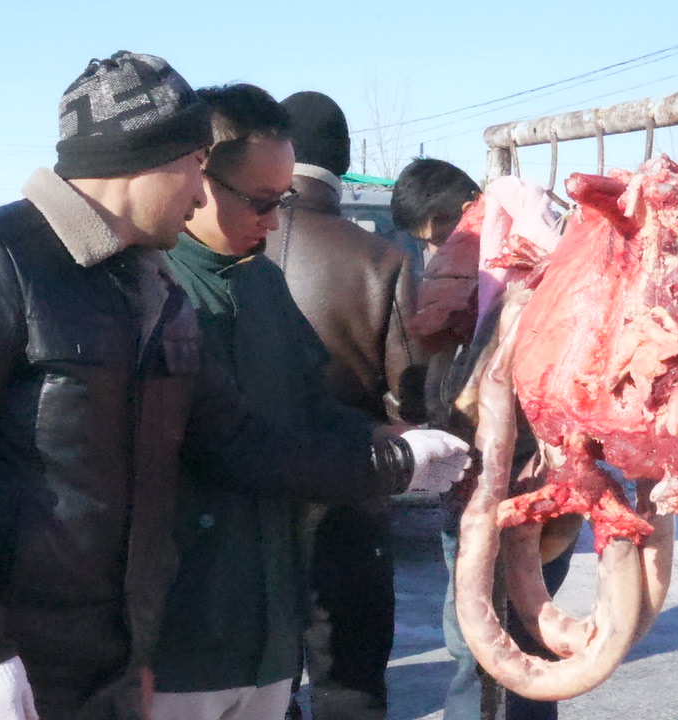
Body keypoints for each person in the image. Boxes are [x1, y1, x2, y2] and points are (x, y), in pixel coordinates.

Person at [0, 51, 469, 720]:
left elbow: (238, 441)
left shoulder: (150, 283)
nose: (199, 194)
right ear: (149, 162)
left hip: (99, 673)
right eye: (194, 167)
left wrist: (396, 459)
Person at [150, 84, 466, 720]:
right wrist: (388, 465)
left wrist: (387, 440)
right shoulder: (149, 287)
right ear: (199, 178)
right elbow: (234, 446)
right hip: (177, 634)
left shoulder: (262, 279)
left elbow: (309, 402)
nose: (274, 222)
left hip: (267, 621)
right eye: (263, 201)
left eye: (283, 200)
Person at [390, 159, 576, 720]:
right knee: (475, 636)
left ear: (473, 207)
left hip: (537, 484)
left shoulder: (537, 270)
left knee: (519, 629)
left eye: (442, 233)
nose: (438, 251)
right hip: (472, 490)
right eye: (426, 243)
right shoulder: (453, 289)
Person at [262, 91, 426, 720]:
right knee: (350, 682)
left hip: (239, 505)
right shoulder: (380, 258)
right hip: (350, 495)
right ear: (345, 159)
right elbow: (408, 397)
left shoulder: (221, 243)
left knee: (258, 686)